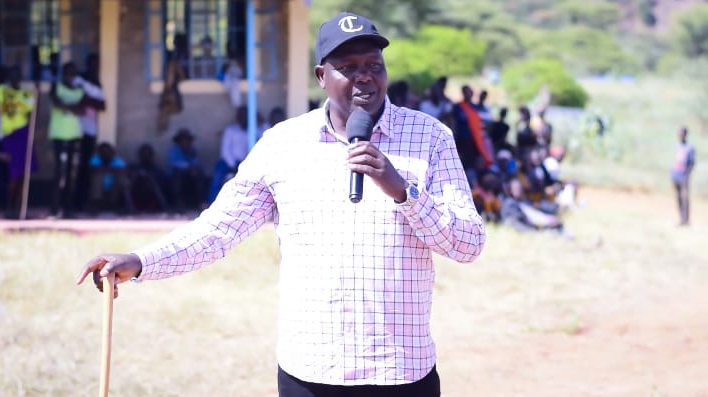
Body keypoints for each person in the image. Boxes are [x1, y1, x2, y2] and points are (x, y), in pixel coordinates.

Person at [77, 12, 485, 397]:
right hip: (312, 370)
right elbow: (218, 230)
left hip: (401, 370)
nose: (365, 77)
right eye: (348, 66)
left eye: (374, 64)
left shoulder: (431, 138)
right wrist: (141, 261)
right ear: (321, 76)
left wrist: (402, 190)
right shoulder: (283, 144)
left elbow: (467, 244)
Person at [0, 65, 37, 218]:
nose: (14, 78)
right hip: (8, 135)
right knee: (12, 174)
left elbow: (32, 117)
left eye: (17, 75)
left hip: (23, 134)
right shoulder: (2, 91)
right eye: (11, 75)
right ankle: (8, 207)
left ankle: (19, 208)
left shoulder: (26, 95)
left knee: (23, 174)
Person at [49, 61, 85, 218]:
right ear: (63, 73)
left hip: (75, 136)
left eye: (73, 73)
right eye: (68, 72)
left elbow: (82, 110)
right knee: (60, 173)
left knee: (72, 173)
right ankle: (55, 208)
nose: (70, 75)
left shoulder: (79, 90)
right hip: (58, 135)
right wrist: (72, 107)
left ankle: (68, 209)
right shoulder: (55, 87)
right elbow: (56, 103)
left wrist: (67, 106)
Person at [74, 54, 107, 211]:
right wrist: (89, 100)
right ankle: (72, 202)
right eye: (93, 63)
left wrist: (89, 100)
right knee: (74, 167)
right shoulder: (79, 80)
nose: (96, 66)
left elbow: (102, 105)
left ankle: (83, 201)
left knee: (86, 166)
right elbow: (76, 101)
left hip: (90, 130)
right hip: (75, 130)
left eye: (97, 63)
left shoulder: (96, 83)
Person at [206, 106, 253, 204]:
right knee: (218, 174)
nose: (242, 117)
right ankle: (211, 202)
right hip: (228, 162)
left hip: (245, 163)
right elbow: (225, 150)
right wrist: (233, 165)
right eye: (240, 115)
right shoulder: (230, 130)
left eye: (244, 115)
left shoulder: (253, 131)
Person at [87, 142, 133, 215]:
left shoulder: (118, 160)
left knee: (122, 179)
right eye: (103, 152)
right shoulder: (95, 159)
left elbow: (123, 171)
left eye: (107, 152)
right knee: (97, 177)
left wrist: (105, 169)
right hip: (99, 188)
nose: (105, 154)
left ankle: (129, 206)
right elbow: (93, 170)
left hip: (114, 188)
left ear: (112, 152)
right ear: (99, 153)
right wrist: (112, 170)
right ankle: (95, 206)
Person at [167, 128, 205, 212]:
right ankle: (179, 203)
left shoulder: (192, 149)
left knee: (199, 173)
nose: (185, 141)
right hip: (175, 175)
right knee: (178, 175)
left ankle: (201, 202)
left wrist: (193, 168)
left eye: (187, 139)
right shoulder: (174, 149)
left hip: (190, 176)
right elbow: (175, 163)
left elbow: (196, 162)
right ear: (179, 141)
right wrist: (189, 167)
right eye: (183, 139)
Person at [128, 143, 170, 213]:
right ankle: (130, 208)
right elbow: (128, 181)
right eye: (143, 154)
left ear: (151, 155)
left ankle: (165, 207)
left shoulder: (157, 169)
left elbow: (162, 184)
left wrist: (149, 178)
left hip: (152, 196)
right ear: (140, 155)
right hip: (136, 194)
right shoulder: (133, 167)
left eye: (147, 154)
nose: (145, 156)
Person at [671, 126, 695, 226]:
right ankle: (681, 219)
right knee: (678, 197)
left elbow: (692, 163)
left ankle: (686, 220)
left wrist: (687, 175)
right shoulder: (677, 146)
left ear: (685, 134)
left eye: (682, 133)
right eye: (679, 133)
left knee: (684, 198)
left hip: (684, 176)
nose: (680, 135)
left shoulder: (689, 147)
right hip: (675, 175)